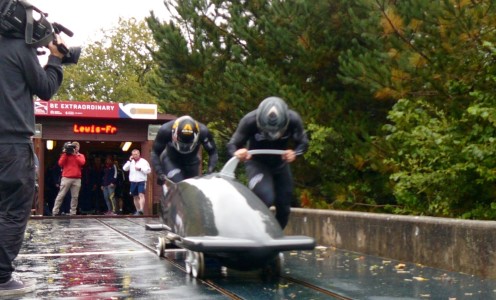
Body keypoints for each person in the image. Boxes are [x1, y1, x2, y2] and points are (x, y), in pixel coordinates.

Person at [0, 1, 67, 295]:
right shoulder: (18, 48)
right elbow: (45, 88)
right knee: (14, 211)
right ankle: (1, 278)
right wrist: (55, 58)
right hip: (12, 145)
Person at [226, 96, 309, 229]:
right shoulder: (249, 121)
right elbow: (232, 144)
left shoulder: (293, 119)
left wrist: (294, 153)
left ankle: (274, 237)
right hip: (257, 164)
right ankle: (249, 229)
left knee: (284, 206)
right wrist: (238, 153)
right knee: (266, 198)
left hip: (280, 164)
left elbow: (303, 143)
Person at [151, 115, 218, 185]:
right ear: (174, 134)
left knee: (191, 189)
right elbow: (155, 152)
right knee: (179, 185)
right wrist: (160, 172)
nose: (185, 147)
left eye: (188, 144)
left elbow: (213, 152)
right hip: (172, 161)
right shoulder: (165, 130)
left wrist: (209, 171)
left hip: (192, 162)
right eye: (182, 144)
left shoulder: (203, 131)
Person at [51, 142, 86, 216]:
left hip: (77, 179)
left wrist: (75, 155)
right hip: (66, 177)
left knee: (75, 197)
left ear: (79, 148)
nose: (76, 148)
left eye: (77, 146)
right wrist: (65, 153)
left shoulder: (80, 155)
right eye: (74, 146)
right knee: (61, 195)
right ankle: (55, 211)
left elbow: (82, 163)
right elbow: (60, 163)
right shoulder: (66, 155)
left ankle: (73, 212)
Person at [123, 149, 151, 215]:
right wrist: (129, 161)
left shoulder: (144, 162)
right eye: (133, 154)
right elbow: (124, 168)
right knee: (135, 196)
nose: (135, 156)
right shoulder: (131, 162)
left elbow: (148, 171)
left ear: (139, 154)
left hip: (141, 180)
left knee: (141, 194)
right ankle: (138, 211)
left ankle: (141, 209)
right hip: (133, 181)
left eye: (136, 154)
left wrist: (140, 169)